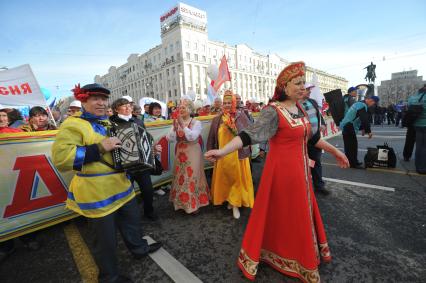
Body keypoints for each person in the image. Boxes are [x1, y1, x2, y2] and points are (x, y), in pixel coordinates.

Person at [205, 62, 349, 282]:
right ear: (285, 86)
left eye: (304, 83)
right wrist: (223, 151)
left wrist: (336, 153)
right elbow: (248, 135)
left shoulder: (300, 108)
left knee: (295, 217)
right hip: (281, 175)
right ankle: (286, 257)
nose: (303, 87)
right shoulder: (273, 111)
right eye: (297, 83)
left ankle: (294, 255)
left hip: (301, 174)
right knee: (284, 216)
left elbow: (313, 138)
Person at [52, 83, 161, 283]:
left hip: (121, 185)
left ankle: (139, 249)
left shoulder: (110, 122)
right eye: (95, 99)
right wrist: (99, 148)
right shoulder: (72, 124)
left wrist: (147, 153)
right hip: (97, 193)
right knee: (105, 240)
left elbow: (126, 151)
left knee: (132, 222)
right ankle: (109, 277)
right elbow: (62, 159)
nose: (101, 103)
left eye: (104, 99)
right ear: (84, 101)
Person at [109, 98, 162, 221]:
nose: (128, 108)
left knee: (148, 190)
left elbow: (145, 138)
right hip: (124, 165)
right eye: (124, 106)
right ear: (116, 109)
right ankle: (129, 217)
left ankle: (149, 211)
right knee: (127, 194)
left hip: (141, 165)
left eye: (129, 105)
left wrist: (152, 149)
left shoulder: (138, 121)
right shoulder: (111, 123)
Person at [207, 90, 254, 219]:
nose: (227, 105)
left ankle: (235, 204)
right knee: (226, 179)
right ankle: (229, 199)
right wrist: (210, 151)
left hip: (238, 156)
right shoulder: (217, 119)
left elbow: (249, 133)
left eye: (229, 102)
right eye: (225, 102)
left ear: (234, 102)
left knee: (237, 180)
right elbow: (211, 137)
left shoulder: (241, 115)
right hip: (222, 156)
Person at [167, 98, 209, 214]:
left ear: (190, 109)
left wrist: (183, 126)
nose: (181, 109)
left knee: (192, 176)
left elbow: (192, 137)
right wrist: (174, 129)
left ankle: (194, 204)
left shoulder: (196, 122)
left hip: (193, 152)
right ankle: (181, 203)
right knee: (180, 176)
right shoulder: (177, 122)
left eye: (184, 107)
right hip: (180, 152)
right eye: (180, 107)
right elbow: (169, 139)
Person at [301, 83, 328, 195]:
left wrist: (323, 123)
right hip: (303, 140)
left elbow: (319, 114)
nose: (310, 91)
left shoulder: (312, 102)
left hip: (315, 138)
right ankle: (303, 186)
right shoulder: (295, 104)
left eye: (310, 89)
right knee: (304, 163)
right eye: (307, 89)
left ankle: (319, 186)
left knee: (316, 162)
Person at [340, 96, 379, 168]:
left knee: (349, 146)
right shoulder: (362, 105)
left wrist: (363, 129)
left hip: (346, 126)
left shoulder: (358, 104)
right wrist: (369, 131)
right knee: (352, 146)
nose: (372, 104)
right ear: (370, 100)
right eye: (373, 102)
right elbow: (364, 119)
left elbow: (357, 118)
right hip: (349, 127)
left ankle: (350, 162)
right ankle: (353, 164)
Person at [407, 85, 426, 173]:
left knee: (419, 146)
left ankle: (419, 167)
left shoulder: (413, 98)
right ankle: (423, 167)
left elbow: (408, 107)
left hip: (417, 124)